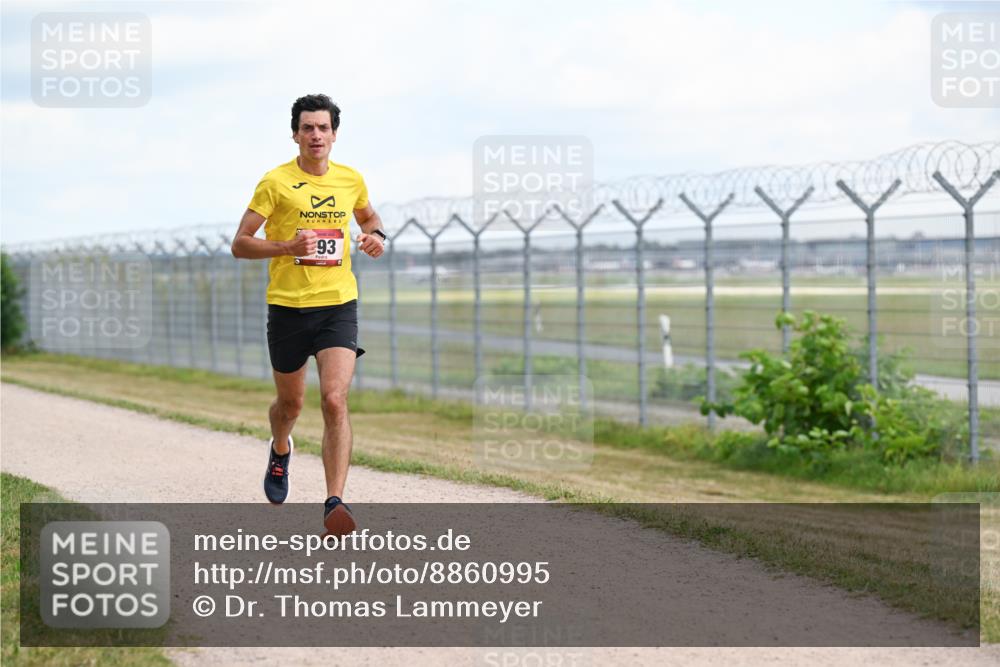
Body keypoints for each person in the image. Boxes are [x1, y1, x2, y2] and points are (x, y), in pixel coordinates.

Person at [231, 94, 387, 536]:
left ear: (334, 134)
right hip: (287, 307)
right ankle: (281, 448)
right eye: (307, 128)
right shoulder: (275, 183)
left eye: (323, 128)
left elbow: (371, 220)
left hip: (338, 304)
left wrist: (376, 238)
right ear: (296, 134)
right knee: (291, 403)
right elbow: (240, 243)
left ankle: (334, 501)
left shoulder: (350, 179)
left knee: (334, 399)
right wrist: (285, 247)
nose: (315, 135)